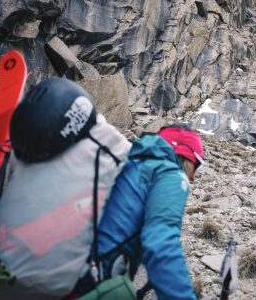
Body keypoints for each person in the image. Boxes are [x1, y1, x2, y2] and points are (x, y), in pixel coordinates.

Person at [75, 124, 204, 299]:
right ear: (186, 156)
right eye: (197, 165)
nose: (193, 178)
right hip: (91, 284)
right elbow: (161, 244)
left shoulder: (130, 164)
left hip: (68, 272)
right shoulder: (170, 173)